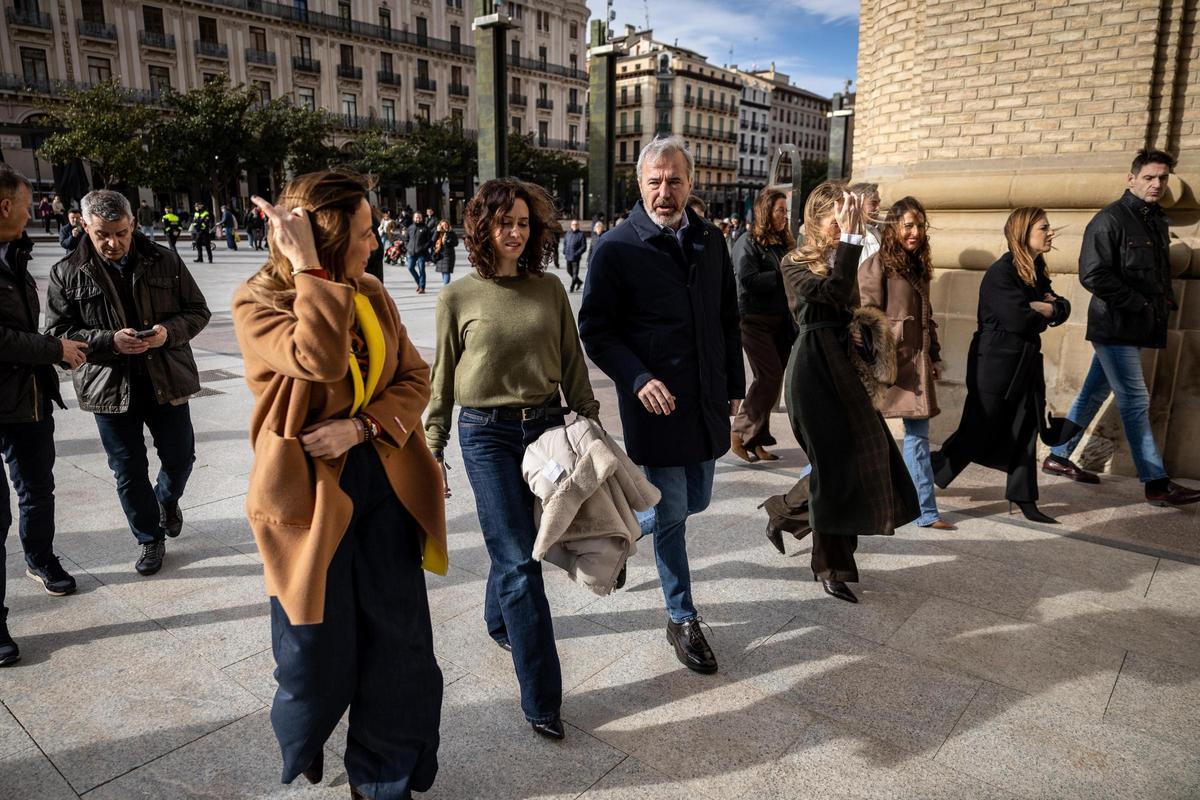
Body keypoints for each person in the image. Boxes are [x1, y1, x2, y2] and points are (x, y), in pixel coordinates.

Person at [233, 171, 446, 799]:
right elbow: (319, 358)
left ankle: (383, 780)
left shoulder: (371, 292)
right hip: (309, 498)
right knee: (315, 654)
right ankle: (307, 738)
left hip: (382, 480)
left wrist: (362, 427)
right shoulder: (258, 303)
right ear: (327, 238)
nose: (376, 243)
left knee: (400, 645)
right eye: (364, 232)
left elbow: (416, 378)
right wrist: (308, 270)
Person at [426, 177, 599, 740]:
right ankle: (543, 699)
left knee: (517, 544)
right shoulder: (457, 296)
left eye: (524, 223)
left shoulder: (550, 289)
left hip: (545, 430)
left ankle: (497, 619)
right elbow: (441, 380)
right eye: (505, 223)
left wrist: (591, 423)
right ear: (484, 227)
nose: (516, 233)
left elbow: (571, 360)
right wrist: (433, 447)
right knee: (522, 564)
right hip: (486, 435)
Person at [579, 136, 744, 674]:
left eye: (674, 180)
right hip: (657, 405)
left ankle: (618, 535)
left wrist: (734, 381)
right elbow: (596, 330)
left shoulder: (711, 240)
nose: (664, 191)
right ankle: (682, 616)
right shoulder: (616, 247)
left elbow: (728, 317)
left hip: (706, 399)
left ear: (691, 184)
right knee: (672, 514)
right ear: (640, 184)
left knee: (696, 500)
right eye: (655, 181)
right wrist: (637, 377)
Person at [763, 183, 919, 603]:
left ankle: (783, 512)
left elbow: (847, 305)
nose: (843, 227)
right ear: (816, 220)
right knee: (832, 469)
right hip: (812, 371)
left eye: (845, 221)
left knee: (867, 455)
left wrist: (860, 330)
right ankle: (831, 568)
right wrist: (850, 240)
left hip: (844, 367)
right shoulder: (794, 261)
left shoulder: (844, 254)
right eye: (837, 220)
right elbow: (829, 295)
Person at [45, 190, 211, 575]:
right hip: (108, 386)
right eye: (102, 234)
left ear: (133, 224)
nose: (113, 243)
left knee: (180, 457)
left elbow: (197, 311)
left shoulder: (165, 260)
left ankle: (166, 500)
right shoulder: (66, 271)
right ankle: (149, 538)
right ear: (84, 226)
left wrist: (167, 332)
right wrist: (109, 341)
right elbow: (57, 333)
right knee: (127, 469)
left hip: (165, 377)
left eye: (121, 232)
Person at [1046, 149, 1200, 506]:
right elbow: (1092, 274)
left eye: (1162, 178)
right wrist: (1139, 303)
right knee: (1135, 400)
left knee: (1093, 392)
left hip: (1138, 325)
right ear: (1131, 179)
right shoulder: (1109, 219)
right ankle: (1156, 482)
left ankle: (1058, 455)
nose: (1157, 184)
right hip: (1115, 325)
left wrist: (1160, 302)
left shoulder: (1155, 220)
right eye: (1149, 177)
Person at [931, 208, 1071, 523]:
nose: (1051, 233)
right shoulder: (1002, 273)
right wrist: (1046, 309)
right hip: (994, 366)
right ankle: (921, 472)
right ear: (1023, 233)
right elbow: (1018, 319)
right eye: (1044, 228)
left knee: (1026, 427)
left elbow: (1063, 307)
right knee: (975, 432)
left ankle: (1024, 498)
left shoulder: (1036, 270)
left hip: (1025, 364)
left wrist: (1046, 308)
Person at [0, 165, 88, 666]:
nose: (34, 211)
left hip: (26, 398)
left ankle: (40, 558)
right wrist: (53, 348)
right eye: (27, 203)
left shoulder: (16, 250)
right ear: (5, 206)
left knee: (37, 488)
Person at [858, 196, 954, 530]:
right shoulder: (877, 266)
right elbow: (866, 318)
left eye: (920, 226)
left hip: (914, 365)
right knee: (855, 434)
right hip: (884, 366)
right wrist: (877, 360)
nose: (915, 232)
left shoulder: (918, 266)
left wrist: (934, 355)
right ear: (893, 227)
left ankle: (925, 511)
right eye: (908, 225)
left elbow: (927, 317)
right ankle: (809, 487)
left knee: (917, 436)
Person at [730, 188, 795, 464]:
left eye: (785, 211)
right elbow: (747, 279)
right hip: (753, 319)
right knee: (768, 376)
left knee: (774, 380)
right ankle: (740, 431)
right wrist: (782, 275)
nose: (784, 216)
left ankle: (756, 439)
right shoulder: (747, 242)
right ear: (765, 212)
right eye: (780, 210)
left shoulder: (784, 243)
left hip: (782, 321)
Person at [850, 182, 882, 263]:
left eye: (879, 203)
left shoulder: (882, 228)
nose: (878, 208)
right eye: (873, 203)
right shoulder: (848, 235)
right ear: (857, 203)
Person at [406, 210, 432, 293]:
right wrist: (408, 247)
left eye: (419, 217)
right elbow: (407, 239)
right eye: (416, 217)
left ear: (422, 218)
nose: (418, 219)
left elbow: (430, 241)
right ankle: (419, 283)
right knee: (410, 267)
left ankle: (422, 288)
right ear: (413, 218)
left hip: (422, 253)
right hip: (411, 252)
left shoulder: (425, 228)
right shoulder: (410, 227)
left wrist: (424, 247)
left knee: (421, 269)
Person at [562, 219, 587, 292]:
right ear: (571, 225)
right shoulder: (568, 233)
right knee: (569, 271)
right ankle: (579, 282)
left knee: (575, 273)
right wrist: (564, 250)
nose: (575, 226)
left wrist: (577, 253)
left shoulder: (581, 234)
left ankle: (572, 287)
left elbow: (583, 246)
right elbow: (565, 242)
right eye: (573, 224)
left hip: (576, 257)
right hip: (568, 256)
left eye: (576, 224)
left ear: (578, 225)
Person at [430, 218, 457, 285]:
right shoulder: (438, 232)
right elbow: (432, 241)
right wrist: (437, 231)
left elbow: (456, 243)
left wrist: (447, 241)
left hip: (449, 255)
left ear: (448, 225)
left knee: (446, 271)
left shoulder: (451, 233)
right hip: (439, 254)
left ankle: (445, 287)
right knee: (443, 271)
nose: (444, 226)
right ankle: (446, 286)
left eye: (446, 225)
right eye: (443, 225)